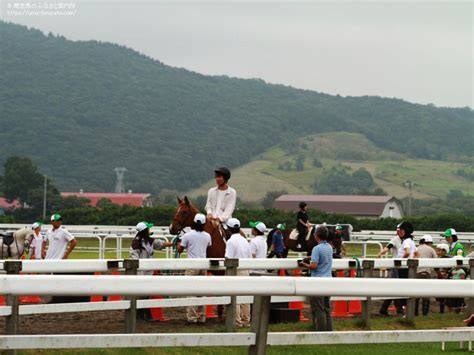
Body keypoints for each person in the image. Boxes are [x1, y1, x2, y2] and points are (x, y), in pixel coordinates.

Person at [129, 221, 173, 321]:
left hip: (148, 272)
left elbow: (160, 244)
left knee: (146, 295)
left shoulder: (149, 241)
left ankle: (145, 315)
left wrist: (172, 243)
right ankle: (141, 316)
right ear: (145, 231)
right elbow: (133, 258)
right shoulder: (136, 244)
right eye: (148, 229)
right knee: (141, 295)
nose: (149, 230)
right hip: (140, 273)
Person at [177, 213, 212, 325]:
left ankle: (192, 318)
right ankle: (202, 317)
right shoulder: (207, 236)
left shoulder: (188, 235)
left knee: (190, 292)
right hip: (203, 265)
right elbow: (208, 246)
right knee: (202, 292)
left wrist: (179, 243)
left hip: (192, 266)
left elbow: (179, 250)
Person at [299, 225, 333, 331]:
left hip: (317, 281)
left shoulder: (316, 248)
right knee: (327, 308)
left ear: (316, 236)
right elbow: (323, 258)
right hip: (328, 280)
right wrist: (311, 257)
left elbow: (314, 266)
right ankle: (329, 330)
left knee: (319, 309)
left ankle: (320, 332)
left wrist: (304, 265)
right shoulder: (329, 247)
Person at [224, 217, 251, 327]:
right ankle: (246, 320)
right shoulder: (244, 240)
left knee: (235, 297)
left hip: (235, 270)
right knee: (245, 297)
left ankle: (237, 321)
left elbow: (228, 258)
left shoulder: (231, 241)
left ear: (229, 229)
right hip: (246, 270)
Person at [377, 226, 403, 316]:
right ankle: (400, 310)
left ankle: (384, 309)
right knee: (397, 289)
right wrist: (381, 253)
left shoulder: (407, 240)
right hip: (396, 267)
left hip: (403, 267)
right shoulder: (395, 239)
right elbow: (388, 247)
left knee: (395, 289)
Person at [414, 235, 437, 316]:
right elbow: (436, 263)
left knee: (415, 295)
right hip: (426, 273)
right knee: (426, 296)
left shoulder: (416, 248)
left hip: (416, 274)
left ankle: (415, 313)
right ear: (429, 242)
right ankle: (425, 314)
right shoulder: (431, 249)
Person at [434, 244, 451, 313]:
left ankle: (446, 310)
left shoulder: (447, 258)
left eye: (440, 250)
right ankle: (442, 311)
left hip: (445, 278)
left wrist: (441, 274)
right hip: (442, 278)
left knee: (445, 296)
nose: (438, 252)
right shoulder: (440, 258)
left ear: (445, 251)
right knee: (442, 296)